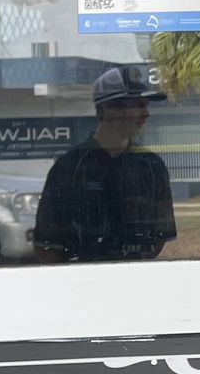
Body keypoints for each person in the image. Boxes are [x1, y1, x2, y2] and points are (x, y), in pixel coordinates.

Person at [32, 64, 177, 262]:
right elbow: (46, 245)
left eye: (146, 105)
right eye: (138, 105)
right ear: (108, 109)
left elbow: (158, 239)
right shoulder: (69, 168)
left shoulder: (152, 166)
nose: (146, 114)